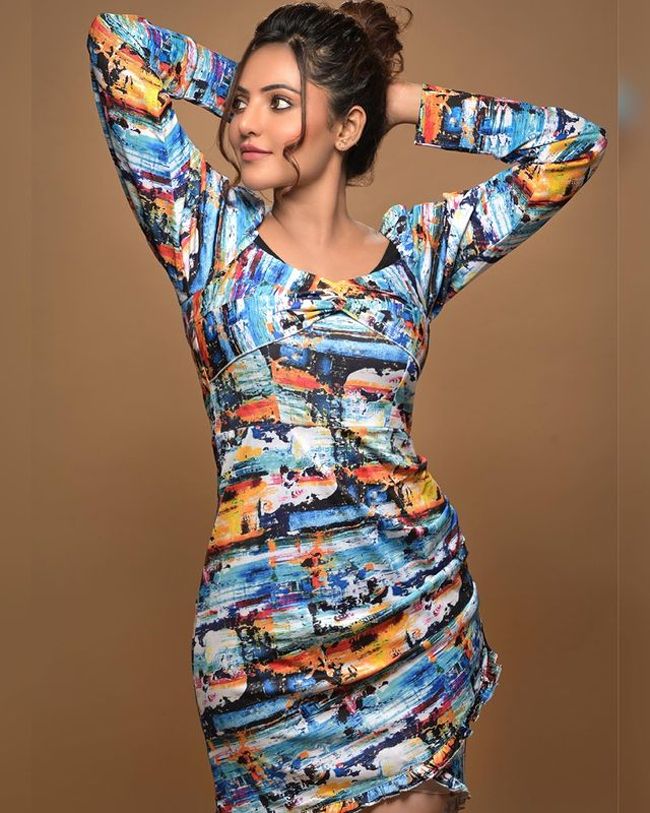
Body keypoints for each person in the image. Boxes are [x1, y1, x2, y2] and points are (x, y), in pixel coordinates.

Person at [85, 2, 607, 812]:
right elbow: (117, 45)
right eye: (242, 104)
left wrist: (390, 102)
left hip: (410, 623)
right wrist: (275, 92)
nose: (246, 124)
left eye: (278, 104)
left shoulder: (415, 255)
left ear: (347, 126)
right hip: (264, 641)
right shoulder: (207, 235)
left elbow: (572, 144)